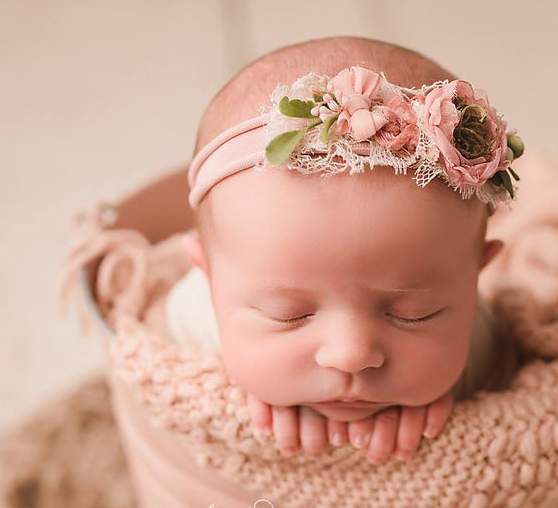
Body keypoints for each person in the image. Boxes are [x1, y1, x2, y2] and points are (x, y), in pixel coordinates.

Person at [169, 35, 523, 465]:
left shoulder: (486, 335)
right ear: (208, 279)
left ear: (477, 276)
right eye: (288, 314)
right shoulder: (194, 311)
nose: (352, 356)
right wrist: (231, 386)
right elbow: (162, 341)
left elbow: (504, 370)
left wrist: (462, 395)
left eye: (415, 314)